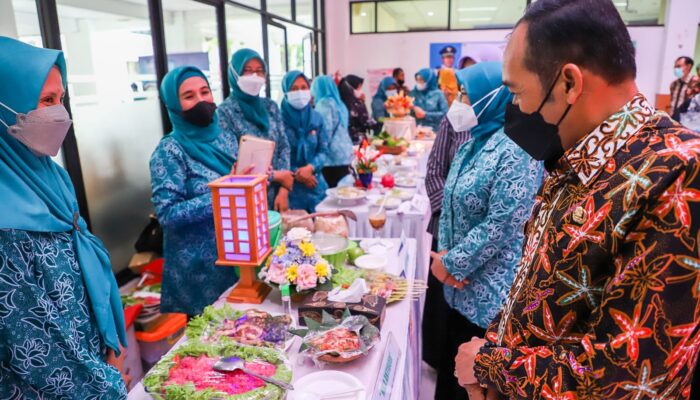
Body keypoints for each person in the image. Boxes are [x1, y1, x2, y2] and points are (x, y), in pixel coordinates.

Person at [454, 1, 700, 399]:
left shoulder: (677, 176)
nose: (514, 110)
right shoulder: (580, 160)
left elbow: (630, 378)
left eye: (518, 93)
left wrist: (490, 365)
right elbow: (538, 285)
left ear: (568, 83)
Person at [0, 37, 127, 398]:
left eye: (61, 99)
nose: (59, 114)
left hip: (91, 362)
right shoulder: (4, 227)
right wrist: (108, 388)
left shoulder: (49, 176)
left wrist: (107, 347)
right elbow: (35, 346)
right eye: (46, 101)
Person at [430, 62, 543, 400]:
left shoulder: (517, 151)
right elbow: (451, 203)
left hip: (490, 298)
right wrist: (447, 258)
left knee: (476, 387)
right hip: (458, 289)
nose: (458, 101)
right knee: (451, 376)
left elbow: (502, 224)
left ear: (491, 97)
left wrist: (452, 264)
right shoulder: (471, 143)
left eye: (465, 93)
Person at [150, 66, 241, 317]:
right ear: (173, 104)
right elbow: (167, 214)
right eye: (189, 96)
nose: (201, 100)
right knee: (209, 349)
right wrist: (222, 191)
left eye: (205, 91)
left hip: (236, 256)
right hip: (198, 273)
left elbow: (236, 185)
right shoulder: (169, 151)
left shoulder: (225, 137)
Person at [422, 83, 474, 371]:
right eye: (459, 93)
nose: (460, 101)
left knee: (464, 298)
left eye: (467, 95)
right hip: (445, 227)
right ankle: (435, 356)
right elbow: (433, 170)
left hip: (475, 237)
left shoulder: (504, 131)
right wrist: (449, 219)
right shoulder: (453, 119)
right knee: (440, 296)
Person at [218, 48, 294, 211]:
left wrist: (284, 189)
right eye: (247, 71)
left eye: (259, 71)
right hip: (246, 198)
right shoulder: (225, 112)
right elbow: (235, 164)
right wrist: (279, 176)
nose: (254, 77)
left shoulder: (270, 107)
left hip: (277, 196)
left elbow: (284, 147)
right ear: (234, 73)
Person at [280, 70, 329, 212]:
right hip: (290, 190)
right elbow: (276, 157)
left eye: (304, 87)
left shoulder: (317, 118)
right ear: (285, 92)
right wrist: (299, 174)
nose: (300, 92)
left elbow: (323, 150)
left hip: (316, 186)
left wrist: (310, 168)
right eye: (294, 89)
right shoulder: (278, 121)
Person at [311, 75, 354, 188]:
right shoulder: (340, 104)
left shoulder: (324, 104)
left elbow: (325, 132)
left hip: (332, 157)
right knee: (343, 189)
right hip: (345, 152)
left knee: (333, 192)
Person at [339, 74, 376, 144]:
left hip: (344, 141)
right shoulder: (356, 105)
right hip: (357, 141)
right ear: (351, 88)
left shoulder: (340, 103)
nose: (361, 90)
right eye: (359, 88)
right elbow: (367, 122)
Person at [411, 68, 448, 132]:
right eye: (417, 80)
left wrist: (426, 115)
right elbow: (408, 112)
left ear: (429, 80)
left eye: (421, 80)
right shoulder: (414, 93)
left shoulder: (438, 94)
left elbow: (445, 114)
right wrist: (413, 109)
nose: (419, 83)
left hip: (434, 131)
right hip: (417, 130)